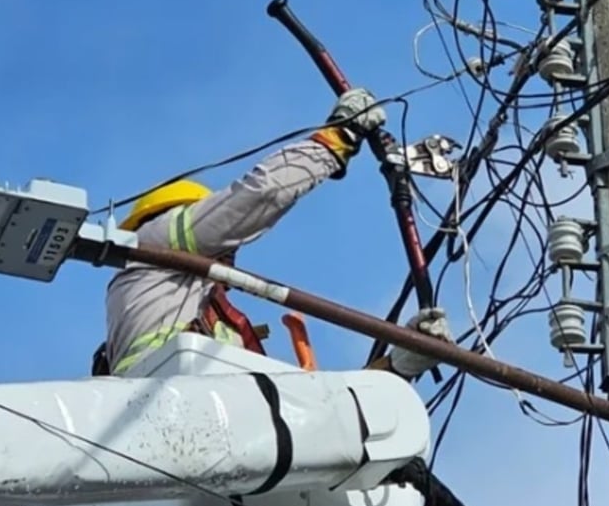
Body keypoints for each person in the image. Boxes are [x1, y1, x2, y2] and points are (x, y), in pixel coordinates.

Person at [96, 87, 452, 380]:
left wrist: (399, 367)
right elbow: (259, 197)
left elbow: (321, 425)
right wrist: (335, 139)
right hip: (169, 413)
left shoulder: (209, 322)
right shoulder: (152, 247)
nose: (231, 250)